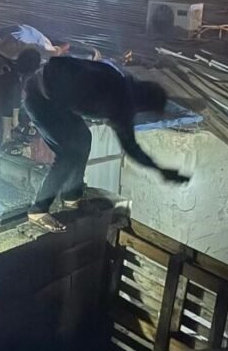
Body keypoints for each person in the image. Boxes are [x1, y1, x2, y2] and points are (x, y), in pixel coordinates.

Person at [22, 55, 189, 231]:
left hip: (56, 98)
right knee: (69, 154)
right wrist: (160, 170)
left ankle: (71, 197)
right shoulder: (120, 107)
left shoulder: (113, 75)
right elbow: (132, 149)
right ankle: (38, 210)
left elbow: (62, 61)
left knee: (84, 139)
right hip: (39, 98)